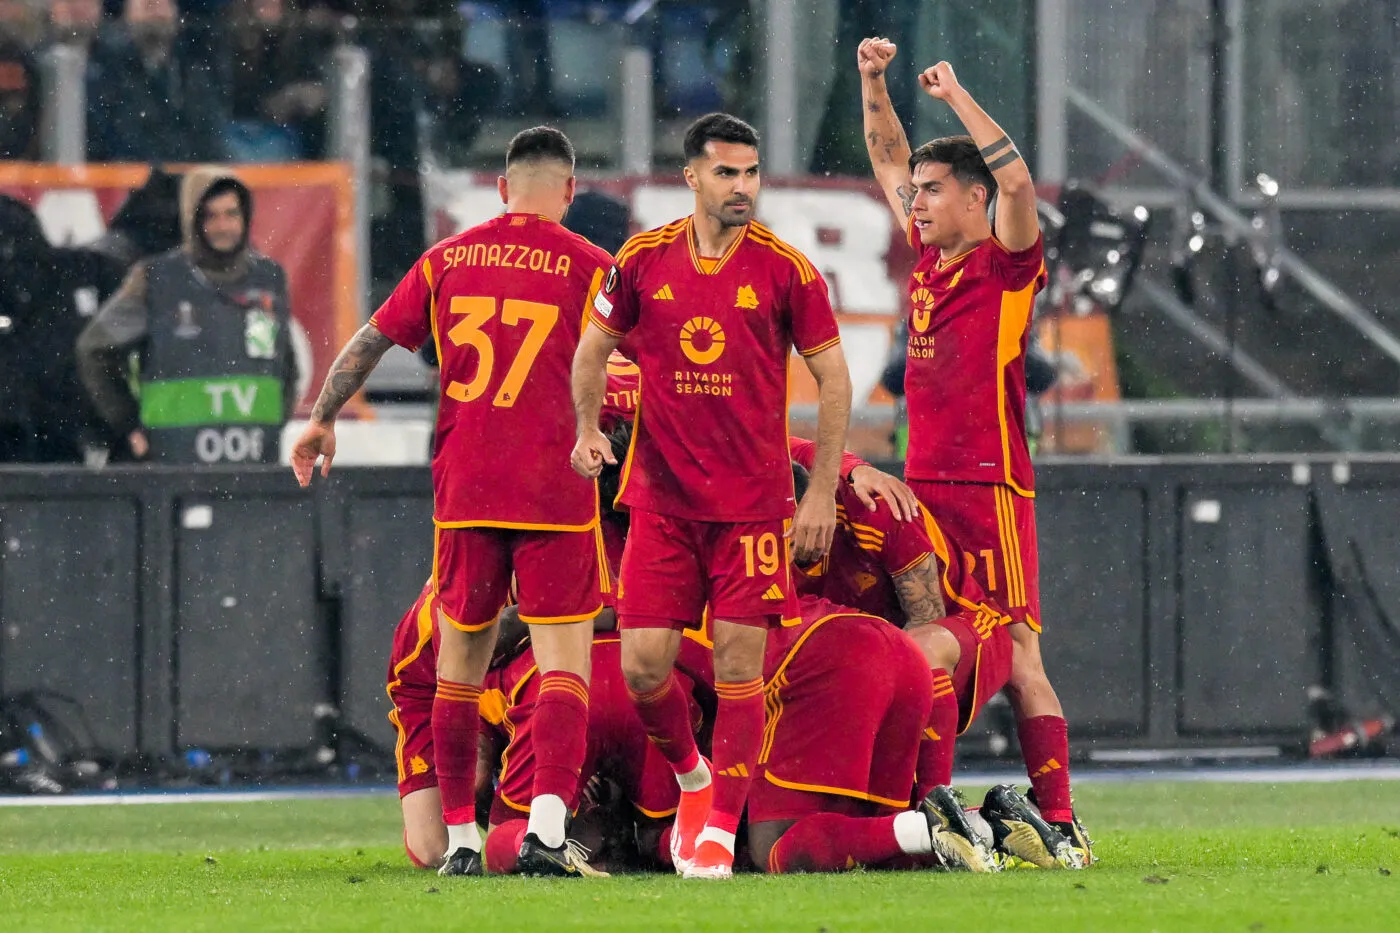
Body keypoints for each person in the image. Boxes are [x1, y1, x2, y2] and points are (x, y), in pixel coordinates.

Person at [295, 127, 614, 879]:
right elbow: (647, 357)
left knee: (457, 669)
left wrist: (322, 416)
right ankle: (544, 829)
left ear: (502, 190)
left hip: (467, 485)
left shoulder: (448, 259)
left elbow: (371, 340)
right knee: (564, 666)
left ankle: (463, 842)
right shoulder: (593, 266)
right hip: (553, 485)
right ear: (568, 192)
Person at [570, 112, 852, 880]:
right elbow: (590, 350)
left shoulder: (787, 270)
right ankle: (695, 778)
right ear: (691, 176)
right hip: (660, 505)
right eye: (727, 173)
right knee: (642, 669)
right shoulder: (642, 259)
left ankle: (718, 834)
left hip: (753, 509)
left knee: (738, 670)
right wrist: (588, 428)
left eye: (752, 172)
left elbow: (834, 379)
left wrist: (820, 491)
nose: (743, 187)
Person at [858, 37, 1088, 868]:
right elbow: (885, 153)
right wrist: (873, 82)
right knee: (922, 642)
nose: (914, 202)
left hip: (989, 487)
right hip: (922, 485)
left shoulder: (1006, 265)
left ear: (973, 198)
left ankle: (1059, 818)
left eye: (931, 191)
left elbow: (1020, 181)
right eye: (914, 192)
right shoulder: (927, 262)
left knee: (1019, 650)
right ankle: (935, 810)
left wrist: (955, 96)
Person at [747, 593, 984, 874]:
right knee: (874, 839)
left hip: (834, 658)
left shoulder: (697, 622)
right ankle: (988, 824)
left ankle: (928, 824)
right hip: (908, 655)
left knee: (770, 846)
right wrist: (932, 788)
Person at [76, 167, 298, 465]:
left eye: (232, 214)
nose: (224, 226)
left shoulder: (268, 279)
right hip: (174, 467)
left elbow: (283, 364)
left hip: (253, 465)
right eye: (211, 216)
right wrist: (128, 424)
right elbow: (94, 350)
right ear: (192, 218)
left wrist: (272, 425)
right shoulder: (155, 279)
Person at [86, 0, 222, 163]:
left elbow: (212, 141)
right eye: (148, 4)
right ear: (126, 12)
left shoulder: (192, 70)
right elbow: (114, 142)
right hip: (128, 179)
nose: (156, 11)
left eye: (163, 4)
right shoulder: (106, 72)